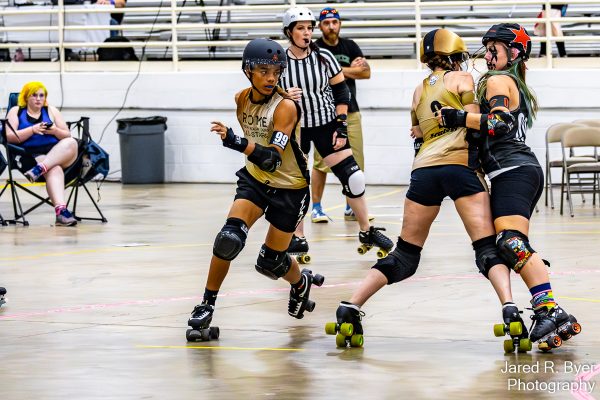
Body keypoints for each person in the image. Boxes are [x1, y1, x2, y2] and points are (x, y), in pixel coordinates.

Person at [326, 28, 522, 349]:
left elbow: (417, 134)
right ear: (454, 55)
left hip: (424, 171)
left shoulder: (417, 91)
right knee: (486, 248)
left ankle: (351, 305)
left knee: (405, 254)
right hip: (459, 165)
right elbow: (474, 124)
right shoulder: (463, 79)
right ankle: (510, 308)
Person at [437, 23, 581, 351]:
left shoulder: (498, 80)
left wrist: (457, 117)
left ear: (513, 53)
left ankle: (550, 310)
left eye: (494, 50)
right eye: (487, 49)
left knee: (510, 242)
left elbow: (500, 124)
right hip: (515, 172)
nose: (487, 56)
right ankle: (549, 311)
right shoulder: (509, 80)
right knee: (511, 244)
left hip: (514, 170)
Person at [186, 38, 325, 342]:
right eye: (263, 71)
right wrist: (241, 144)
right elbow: (258, 154)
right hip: (255, 180)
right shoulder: (241, 99)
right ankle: (206, 304)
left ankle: (300, 283)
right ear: (248, 71)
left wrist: (236, 142)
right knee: (228, 239)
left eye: (276, 72)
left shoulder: (286, 107)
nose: (271, 78)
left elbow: (273, 158)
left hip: (290, 189)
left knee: (270, 262)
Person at [279, 6, 393, 257]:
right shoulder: (280, 61)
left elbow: (342, 92)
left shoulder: (324, 57)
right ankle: (297, 237)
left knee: (354, 177)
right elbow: (264, 93)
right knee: (296, 183)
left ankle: (366, 231)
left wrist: (341, 125)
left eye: (309, 28)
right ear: (289, 32)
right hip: (295, 127)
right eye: (300, 28)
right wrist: (283, 95)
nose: (306, 33)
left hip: (325, 123)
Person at [311, 7, 372, 223]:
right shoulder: (314, 48)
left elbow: (366, 72)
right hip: (324, 114)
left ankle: (351, 206)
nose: (331, 26)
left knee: (356, 161)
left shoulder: (350, 45)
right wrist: (348, 69)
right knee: (321, 163)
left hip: (351, 111)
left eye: (334, 22)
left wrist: (334, 69)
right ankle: (316, 208)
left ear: (339, 24)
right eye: (326, 23)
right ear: (320, 26)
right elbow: (317, 75)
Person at [6, 81, 78, 226]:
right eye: (34, 95)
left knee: (71, 142)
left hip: (58, 153)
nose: (38, 98)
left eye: (41, 95)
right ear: (26, 97)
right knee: (54, 169)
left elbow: (66, 134)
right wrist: (32, 129)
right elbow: (9, 136)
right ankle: (61, 213)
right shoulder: (16, 111)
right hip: (31, 155)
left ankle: (40, 168)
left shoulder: (51, 110)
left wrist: (55, 131)